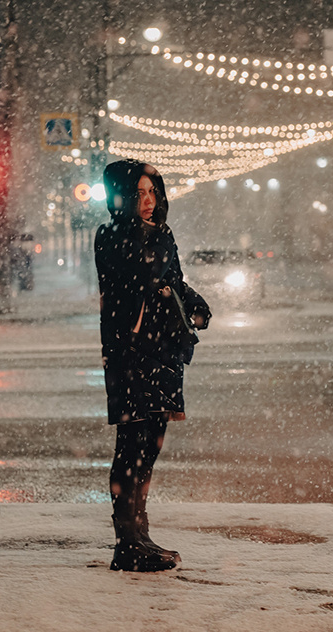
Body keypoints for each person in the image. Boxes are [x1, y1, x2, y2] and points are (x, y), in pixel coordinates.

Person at [95, 159, 211, 572]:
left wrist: (193, 301)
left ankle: (140, 533)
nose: (148, 201)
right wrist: (160, 275)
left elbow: (172, 279)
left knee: (151, 445)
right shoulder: (111, 234)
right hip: (130, 353)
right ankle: (125, 542)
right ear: (122, 197)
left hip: (163, 350)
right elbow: (139, 279)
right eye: (139, 193)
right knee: (131, 444)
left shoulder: (161, 233)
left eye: (152, 193)